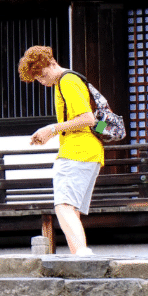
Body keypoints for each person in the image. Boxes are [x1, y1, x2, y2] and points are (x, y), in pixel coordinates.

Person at [20, 45, 103, 255]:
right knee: (71, 209)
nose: (42, 81)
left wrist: (52, 129)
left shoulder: (66, 80)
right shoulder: (70, 80)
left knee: (63, 206)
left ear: (51, 63)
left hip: (77, 151)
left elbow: (87, 118)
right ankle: (79, 254)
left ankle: (82, 253)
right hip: (89, 151)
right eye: (37, 78)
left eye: (42, 74)